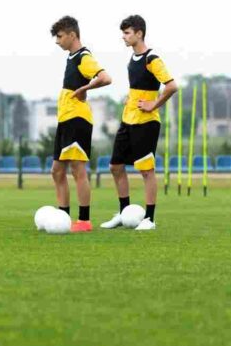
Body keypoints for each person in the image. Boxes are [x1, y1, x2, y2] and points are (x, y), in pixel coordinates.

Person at [101, 15, 177, 231]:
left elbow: (171, 86)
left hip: (146, 122)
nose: (123, 37)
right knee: (115, 166)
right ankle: (124, 213)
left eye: (127, 33)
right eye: (123, 33)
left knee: (146, 171)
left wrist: (154, 104)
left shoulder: (152, 59)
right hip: (128, 119)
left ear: (139, 33)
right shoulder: (131, 60)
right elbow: (139, 86)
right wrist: (130, 97)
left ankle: (150, 219)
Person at [49, 16, 112, 232]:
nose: (57, 41)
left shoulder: (83, 57)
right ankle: (63, 219)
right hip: (65, 119)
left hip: (78, 119)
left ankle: (84, 220)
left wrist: (85, 89)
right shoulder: (71, 57)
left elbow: (105, 77)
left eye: (59, 36)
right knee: (57, 171)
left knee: (77, 169)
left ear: (72, 35)